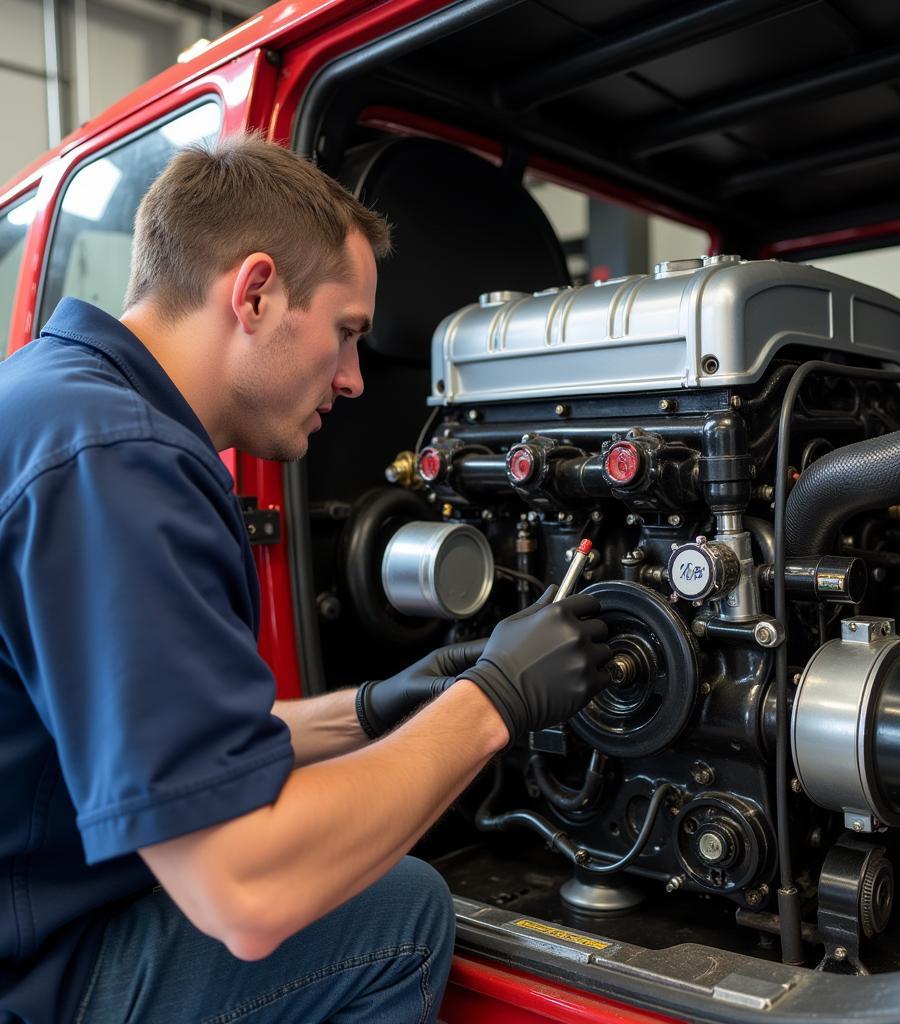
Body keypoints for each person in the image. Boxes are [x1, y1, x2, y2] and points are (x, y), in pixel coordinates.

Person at [0, 134, 612, 1024]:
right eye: (347, 333)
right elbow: (244, 888)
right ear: (254, 293)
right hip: (40, 978)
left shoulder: (62, 403)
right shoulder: (114, 463)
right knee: (399, 914)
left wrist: (375, 709)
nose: (357, 378)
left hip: (38, 908)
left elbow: (182, 747)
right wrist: (495, 704)